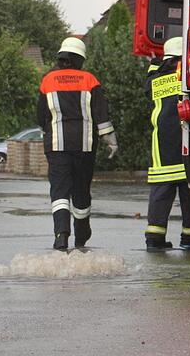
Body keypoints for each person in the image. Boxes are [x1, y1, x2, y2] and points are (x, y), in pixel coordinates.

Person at [37, 36, 118, 251]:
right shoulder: (90, 80)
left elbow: (40, 117)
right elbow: (102, 114)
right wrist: (110, 140)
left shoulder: (47, 80)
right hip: (85, 146)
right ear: (80, 59)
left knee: (60, 190)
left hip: (56, 146)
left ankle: (61, 234)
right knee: (81, 190)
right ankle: (82, 233)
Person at [144, 36, 190, 251]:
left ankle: (155, 239)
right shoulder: (188, 77)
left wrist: (154, 65)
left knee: (160, 192)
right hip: (187, 141)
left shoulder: (154, 80)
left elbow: (147, 90)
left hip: (161, 145)